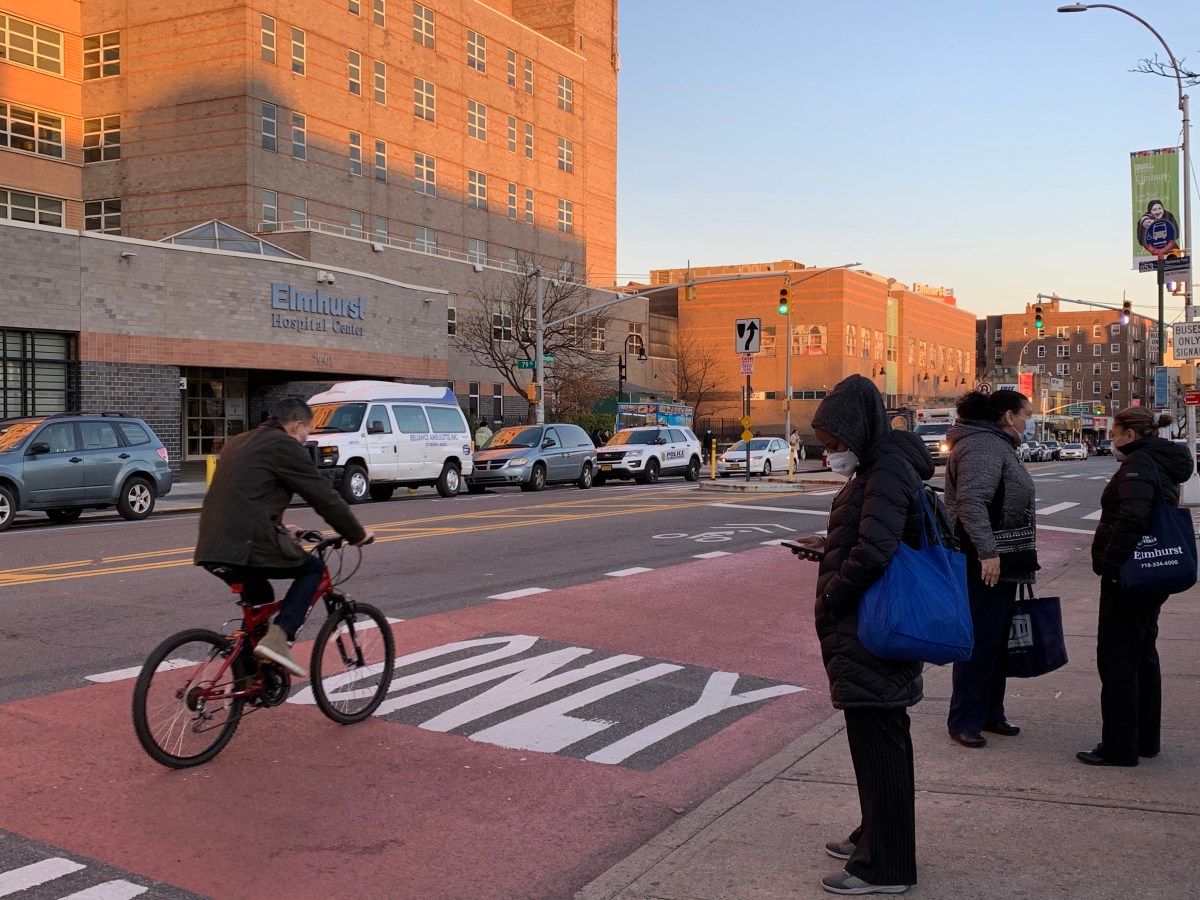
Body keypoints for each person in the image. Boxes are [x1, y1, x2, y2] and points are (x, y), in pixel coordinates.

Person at [789, 374, 929, 895]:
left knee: (882, 747)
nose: (831, 456)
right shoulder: (878, 465)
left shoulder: (887, 468)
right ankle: (873, 835)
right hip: (868, 625)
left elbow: (875, 551)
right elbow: (868, 535)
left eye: (835, 445)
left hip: (874, 624)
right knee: (874, 744)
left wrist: (833, 595)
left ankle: (885, 868)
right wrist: (828, 546)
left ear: (859, 431)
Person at [194, 397, 374, 678]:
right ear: (296, 425)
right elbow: (323, 496)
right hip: (246, 544)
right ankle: (280, 639)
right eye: (307, 432)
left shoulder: (240, 441)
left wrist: (280, 527)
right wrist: (357, 534)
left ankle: (248, 676)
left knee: (261, 597)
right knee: (313, 570)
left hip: (212, 545)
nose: (306, 439)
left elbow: (249, 494)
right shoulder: (285, 446)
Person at [1078, 407, 1193, 767]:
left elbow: (1133, 518)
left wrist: (1111, 565)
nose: (1111, 439)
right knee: (1142, 655)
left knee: (1118, 661)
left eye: (1114, 432)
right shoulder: (1159, 462)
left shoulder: (1139, 465)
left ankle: (1119, 746)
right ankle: (1145, 740)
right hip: (1150, 575)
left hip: (1130, 576)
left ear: (1130, 434)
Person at [944, 390, 1037, 749]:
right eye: (1025, 414)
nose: (1028, 421)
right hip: (983, 560)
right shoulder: (983, 446)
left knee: (998, 642)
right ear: (1007, 416)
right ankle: (965, 719)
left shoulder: (997, 443)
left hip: (1003, 556)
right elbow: (970, 501)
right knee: (981, 642)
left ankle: (990, 713)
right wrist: (988, 552)